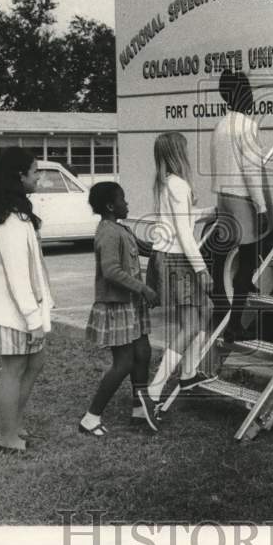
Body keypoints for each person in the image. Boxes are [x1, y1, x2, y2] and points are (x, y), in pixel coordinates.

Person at [0, 147, 55, 455]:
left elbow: (33, 267)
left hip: (24, 308)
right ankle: (7, 436)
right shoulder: (6, 220)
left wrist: (44, 304)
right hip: (11, 311)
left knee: (35, 362)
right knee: (14, 369)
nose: (38, 177)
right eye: (35, 172)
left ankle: (14, 421)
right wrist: (33, 319)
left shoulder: (17, 214)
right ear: (19, 176)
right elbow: (16, 275)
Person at [78, 182, 162, 436]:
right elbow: (111, 271)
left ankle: (139, 408)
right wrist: (144, 289)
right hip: (117, 305)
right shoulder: (108, 233)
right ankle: (91, 417)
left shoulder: (121, 228)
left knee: (143, 352)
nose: (127, 204)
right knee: (124, 363)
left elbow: (146, 248)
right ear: (110, 206)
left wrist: (170, 239)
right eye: (123, 200)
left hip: (131, 305)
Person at [145, 132, 216, 408]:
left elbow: (182, 219)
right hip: (178, 261)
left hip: (166, 257)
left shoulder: (167, 184)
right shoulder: (179, 186)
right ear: (178, 153)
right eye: (185, 149)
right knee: (189, 325)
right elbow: (185, 235)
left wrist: (213, 211)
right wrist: (202, 270)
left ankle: (188, 374)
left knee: (206, 310)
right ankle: (154, 389)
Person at [210, 69, 273, 341]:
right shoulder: (247, 126)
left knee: (222, 256)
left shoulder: (221, 126)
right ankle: (234, 324)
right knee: (248, 259)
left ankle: (220, 312)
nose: (251, 96)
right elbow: (251, 170)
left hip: (222, 196)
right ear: (240, 94)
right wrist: (261, 206)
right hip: (241, 198)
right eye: (247, 90)